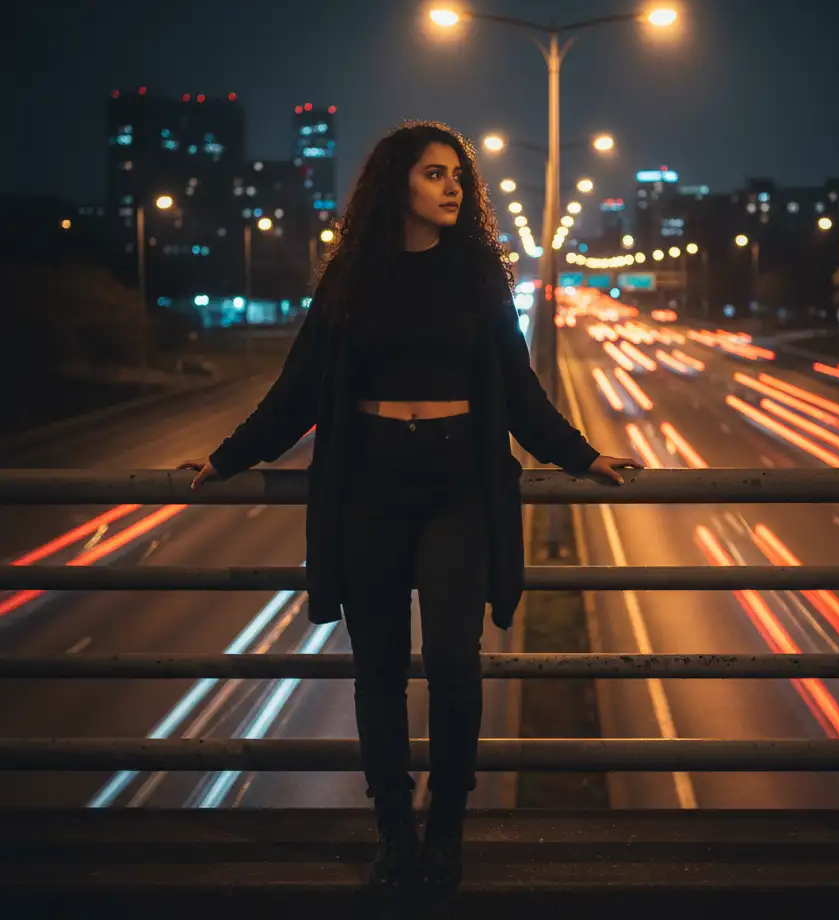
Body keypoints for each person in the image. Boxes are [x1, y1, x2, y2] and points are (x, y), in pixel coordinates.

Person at [179, 120, 642, 893]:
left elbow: (518, 389)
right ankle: (394, 830)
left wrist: (583, 456)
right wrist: (226, 457)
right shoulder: (351, 277)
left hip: (459, 488)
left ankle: (446, 827)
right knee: (379, 672)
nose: (452, 186)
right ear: (396, 184)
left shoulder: (479, 274)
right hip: (370, 488)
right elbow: (298, 388)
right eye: (434, 173)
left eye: (457, 175)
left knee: (456, 662)